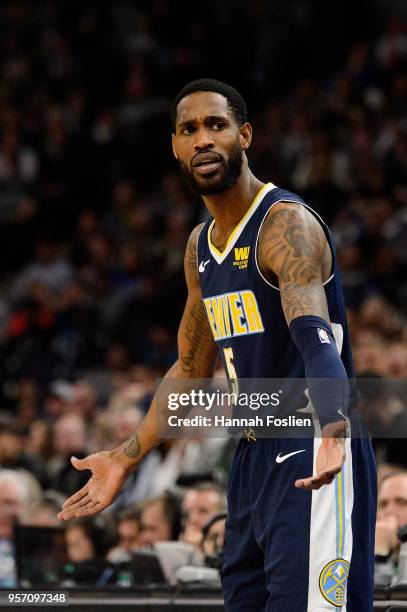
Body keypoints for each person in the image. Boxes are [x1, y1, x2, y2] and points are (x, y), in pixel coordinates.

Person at [58, 79, 377, 611]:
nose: (203, 139)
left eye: (216, 125)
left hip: (313, 440)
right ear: (176, 148)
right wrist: (126, 456)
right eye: (189, 129)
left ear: (244, 136)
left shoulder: (284, 225)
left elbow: (316, 340)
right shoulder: (199, 247)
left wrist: (335, 426)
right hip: (251, 453)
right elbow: (189, 370)